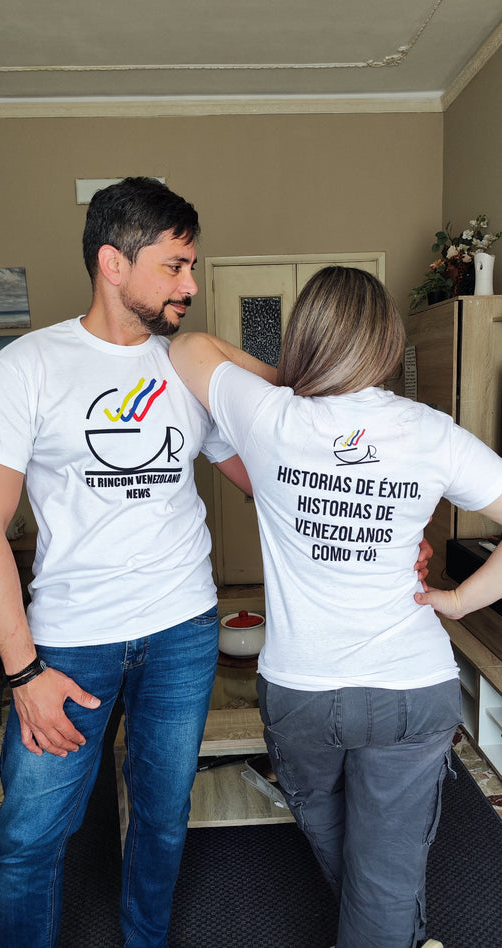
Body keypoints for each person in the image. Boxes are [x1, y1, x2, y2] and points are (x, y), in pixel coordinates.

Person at [168, 265, 502, 948]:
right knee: (379, 872)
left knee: (343, 849)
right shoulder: (428, 431)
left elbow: (187, 347)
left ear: (306, 338)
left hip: (302, 693)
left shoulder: (270, 415)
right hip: (410, 684)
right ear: (386, 342)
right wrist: (459, 601)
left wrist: (290, 384)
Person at [0, 176, 254, 947]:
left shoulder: (185, 368)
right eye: (174, 266)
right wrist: (24, 673)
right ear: (113, 263)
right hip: (69, 642)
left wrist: (387, 525)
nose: (189, 285)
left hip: (181, 631)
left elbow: (264, 477)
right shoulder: (28, 366)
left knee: (161, 817)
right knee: (29, 834)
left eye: (192, 266)